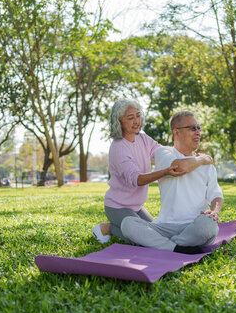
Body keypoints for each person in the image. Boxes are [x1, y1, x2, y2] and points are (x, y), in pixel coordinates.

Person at [92, 99, 213, 244]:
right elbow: (137, 180)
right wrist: (166, 172)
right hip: (117, 206)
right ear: (119, 121)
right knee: (140, 239)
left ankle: (115, 228)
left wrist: (190, 157)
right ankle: (108, 228)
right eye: (130, 118)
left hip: (137, 206)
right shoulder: (118, 147)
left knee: (156, 232)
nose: (136, 121)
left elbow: (163, 152)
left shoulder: (143, 139)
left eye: (138, 115)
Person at [120, 111, 223, 254]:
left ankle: (167, 245)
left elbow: (216, 194)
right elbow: (179, 167)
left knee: (209, 226)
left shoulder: (207, 166)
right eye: (193, 128)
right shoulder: (164, 153)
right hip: (164, 226)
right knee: (127, 223)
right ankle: (178, 248)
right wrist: (201, 160)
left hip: (194, 225)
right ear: (176, 132)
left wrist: (215, 211)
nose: (198, 132)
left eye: (199, 128)